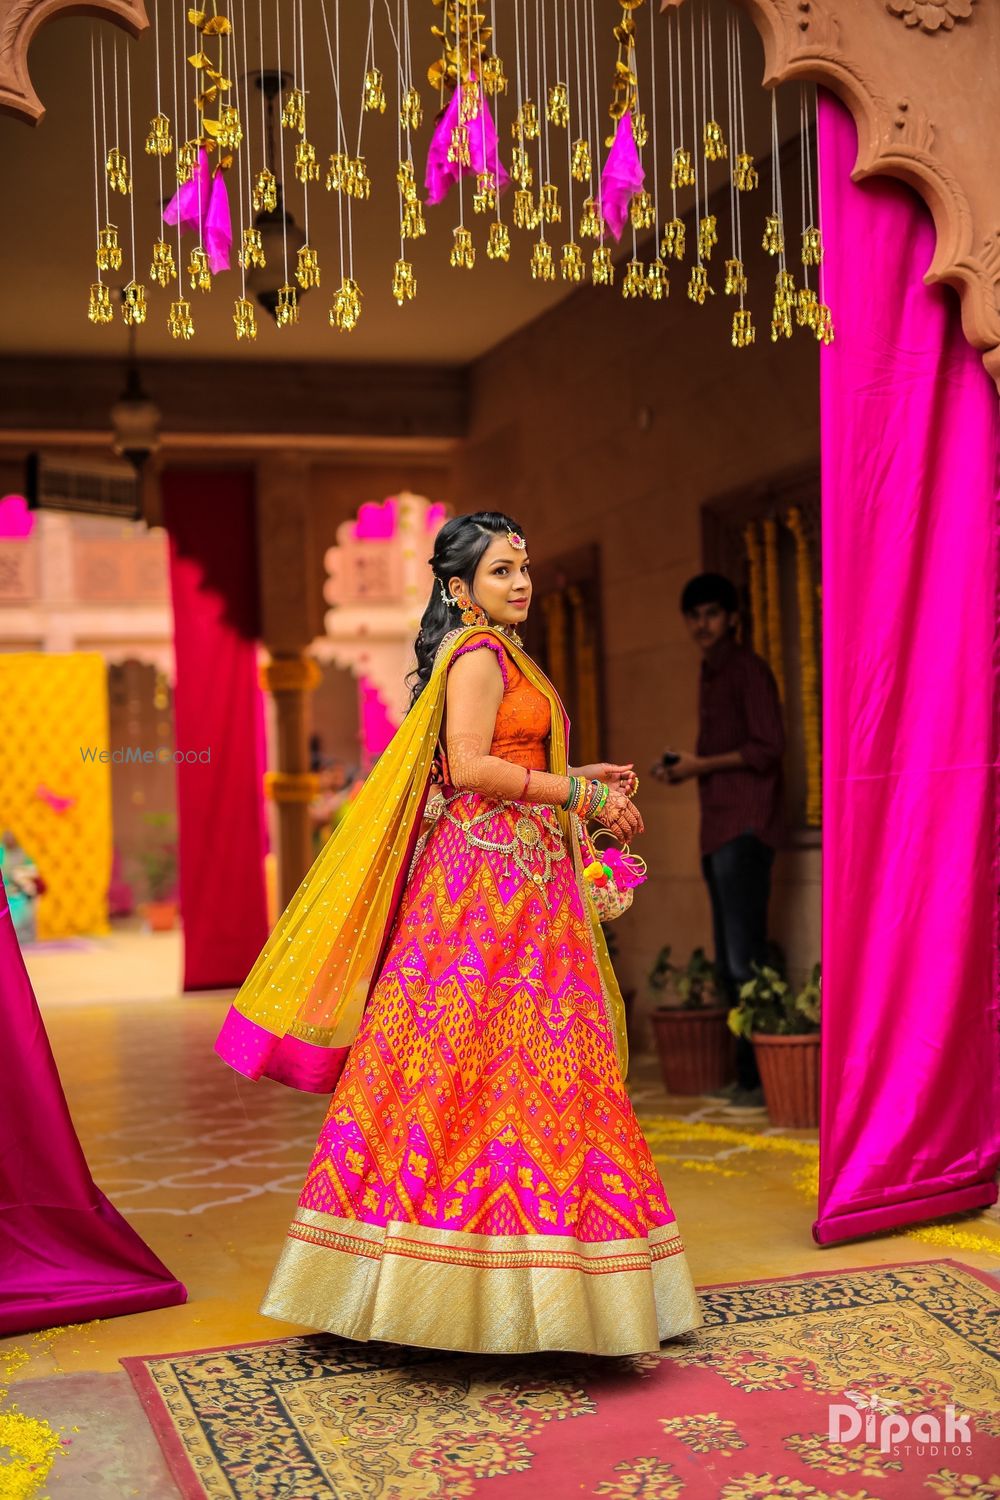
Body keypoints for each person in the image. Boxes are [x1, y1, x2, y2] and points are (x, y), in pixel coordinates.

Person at [215, 512, 701, 1356]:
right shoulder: (476, 655)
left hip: (523, 890)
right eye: (501, 571)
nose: (520, 584)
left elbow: (495, 766)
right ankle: (426, 1294)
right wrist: (581, 800)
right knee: (465, 1073)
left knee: (540, 1072)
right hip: (481, 899)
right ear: (458, 588)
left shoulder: (505, 654)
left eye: (523, 568)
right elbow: (467, 767)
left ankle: (554, 1295)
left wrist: (577, 776)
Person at [655, 572, 785, 1110]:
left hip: (746, 826)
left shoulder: (747, 670)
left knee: (743, 956)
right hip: (720, 828)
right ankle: (749, 1076)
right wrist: (688, 771)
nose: (701, 624)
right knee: (736, 951)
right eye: (694, 615)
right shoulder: (711, 673)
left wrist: (698, 765)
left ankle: (759, 1080)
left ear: (733, 617)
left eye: (712, 613)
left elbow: (767, 748)